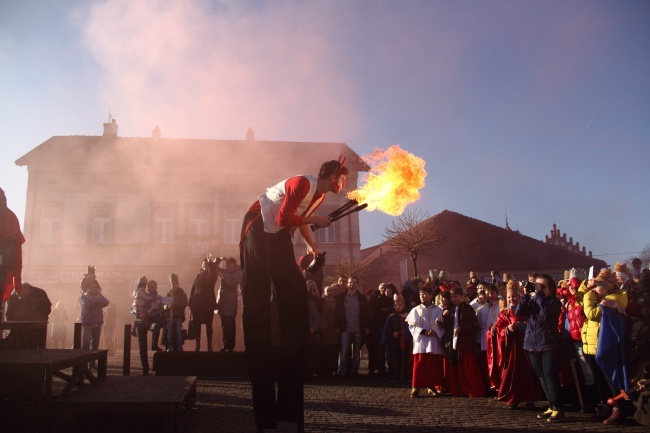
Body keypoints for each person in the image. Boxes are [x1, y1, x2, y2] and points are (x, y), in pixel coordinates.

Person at [239, 158, 348, 433]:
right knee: (258, 298)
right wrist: (313, 219)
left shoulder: (320, 194)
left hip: (276, 234)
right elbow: (284, 218)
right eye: (342, 179)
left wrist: (312, 248)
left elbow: (299, 224)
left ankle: (287, 408)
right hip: (256, 226)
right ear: (333, 175)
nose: (343, 185)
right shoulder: (302, 182)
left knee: (296, 294)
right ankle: (263, 409)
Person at [516, 274, 564, 422]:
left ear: (550, 289)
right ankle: (551, 405)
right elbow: (518, 313)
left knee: (550, 375)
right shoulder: (533, 300)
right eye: (537, 285)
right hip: (532, 343)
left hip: (549, 343)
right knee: (542, 376)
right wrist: (525, 295)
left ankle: (558, 409)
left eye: (543, 287)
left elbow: (545, 315)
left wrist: (537, 296)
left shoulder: (554, 302)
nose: (539, 289)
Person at [439, 286, 485, 398]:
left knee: (467, 367)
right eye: (452, 296)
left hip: (464, 342)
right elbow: (444, 325)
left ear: (462, 297)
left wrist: (462, 329)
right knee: (454, 366)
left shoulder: (468, 309)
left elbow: (474, 325)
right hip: (452, 342)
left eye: (456, 296)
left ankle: (470, 388)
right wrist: (443, 317)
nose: (454, 299)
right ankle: (456, 389)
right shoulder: (449, 309)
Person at [406, 284, 445, 398]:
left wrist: (435, 332)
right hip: (421, 341)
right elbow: (411, 326)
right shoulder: (416, 310)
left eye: (424, 294)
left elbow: (442, 325)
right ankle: (415, 387)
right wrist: (423, 332)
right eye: (420, 294)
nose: (422, 296)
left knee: (432, 365)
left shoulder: (438, 310)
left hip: (433, 341)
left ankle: (431, 386)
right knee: (419, 364)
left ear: (431, 295)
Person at [337, 276, 369, 379]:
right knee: (344, 352)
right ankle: (342, 372)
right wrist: (338, 326)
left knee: (356, 353)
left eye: (354, 282)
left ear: (357, 284)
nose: (352, 284)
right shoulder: (341, 297)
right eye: (350, 282)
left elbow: (366, 314)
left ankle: (354, 372)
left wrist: (366, 326)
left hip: (357, 329)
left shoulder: (362, 298)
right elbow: (337, 314)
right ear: (347, 284)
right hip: (345, 329)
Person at [0, 187, 25, 319]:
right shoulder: (11, 216)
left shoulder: (9, 216)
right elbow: (17, 254)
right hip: (4, 265)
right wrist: (18, 285)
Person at [5, 282, 52, 348]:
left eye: (22, 295)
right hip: (20, 329)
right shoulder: (13, 298)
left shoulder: (39, 294)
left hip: (36, 328)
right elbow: (9, 314)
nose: (20, 297)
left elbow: (46, 310)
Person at [189, 253, 220, 352]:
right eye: (203, 264)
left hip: (208, 306)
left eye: (205, 264)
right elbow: (193, 290)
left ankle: (209, 346)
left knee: (208, 326)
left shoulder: (211, 276)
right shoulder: (197, 277)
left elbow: (213, 274)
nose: (204, 265)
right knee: (197, 326)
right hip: (197, 306)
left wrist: (209, 262)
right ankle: (198, 345)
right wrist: (190, 303)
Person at [79, 280, 109, 369]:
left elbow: (106, 302)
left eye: (96, 287)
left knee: (95, 345)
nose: (95, 289)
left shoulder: (99, 296)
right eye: (93, 287)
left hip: (97, 323)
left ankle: (91, 364)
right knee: (86, 344)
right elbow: (86, 304)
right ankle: (83, 364)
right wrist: (96, 298)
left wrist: (100, 295)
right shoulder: (84, 297)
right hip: (88, 323)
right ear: (88, 288)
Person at [130, 277, 157, 375]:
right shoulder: (144, 295)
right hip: (141, 322)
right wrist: (137, 314)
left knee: (143, 346)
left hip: (146, 321)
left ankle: (146, 367)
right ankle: (145, 368)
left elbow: (133, 308)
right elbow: (132, 309)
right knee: (142, 346)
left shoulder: (141, 294)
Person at [216, 257, 242, 352]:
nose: (227, 265)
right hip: (223, 302)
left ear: (233, 264)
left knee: (230, 325)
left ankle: (230, 346)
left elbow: (234, 284)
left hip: (230, 302)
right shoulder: (226, 271)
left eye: (229, 264)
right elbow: (215, 268)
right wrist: (218, 260)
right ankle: (225, 344)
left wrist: (224, 279)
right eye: (226, 264)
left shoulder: (237, 272)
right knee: (224, 325)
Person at [319, 284, 342, 376]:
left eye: (336, 289)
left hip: (341, 328)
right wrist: (325, 328)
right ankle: (331, 369)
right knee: (331, 350)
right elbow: (324, 316)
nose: (334, 291)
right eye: (332, 290)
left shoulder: (342, 300)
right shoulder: (328, 302)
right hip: (331, 329)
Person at [164, 273, 188, 352]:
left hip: (178, 316)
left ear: (178, 284)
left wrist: (176, 305)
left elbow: (185, 303)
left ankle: (179, 347)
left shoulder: (182, 293)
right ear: (170, 285)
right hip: (169, 317)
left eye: (175, 284)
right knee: (170, 333)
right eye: (172, 284)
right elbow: (164, 306)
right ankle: (170, 347)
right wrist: (167, 307)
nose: (174, 285)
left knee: (178, 332)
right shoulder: (168, 294)